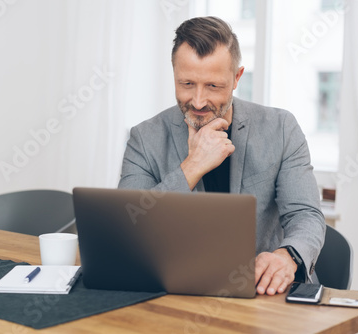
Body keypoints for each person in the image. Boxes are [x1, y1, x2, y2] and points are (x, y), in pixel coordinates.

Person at [118, 16, 325, 295]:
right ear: (174, 74)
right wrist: (192, 167)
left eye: (213, 86)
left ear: (237, 77)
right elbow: (128, 230)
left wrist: (286, 257)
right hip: (177, 294)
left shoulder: (281, 128)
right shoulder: (145, 138)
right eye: (187, 83)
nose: (199, 101)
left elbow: (306, 215)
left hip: (263, 293)